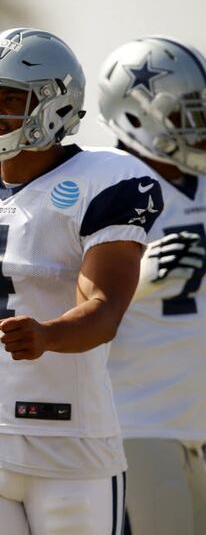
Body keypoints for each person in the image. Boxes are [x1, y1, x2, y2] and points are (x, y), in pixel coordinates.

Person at [0, 28, 165, 535]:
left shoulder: (108, 178)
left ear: (55, 103)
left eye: (11, 97)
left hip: (71, 446)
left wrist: (49, 335)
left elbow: (105, 308)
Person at [99, 36, 206, 534]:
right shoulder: (103, 184)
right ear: (138, 116)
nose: (200, 128)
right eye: (187, 116)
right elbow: (59, 299)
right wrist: (134, 282)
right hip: (140, 419)